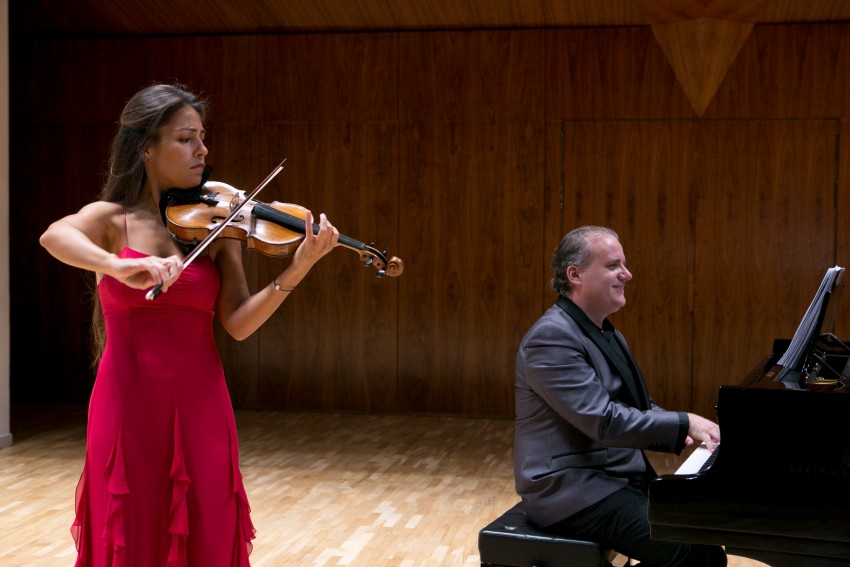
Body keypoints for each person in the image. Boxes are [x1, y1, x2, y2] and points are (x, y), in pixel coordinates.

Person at [39, 82, 339, 566]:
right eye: (186, 138)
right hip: (127, 404)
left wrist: (296, 269)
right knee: (130, 527)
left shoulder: (217, 226)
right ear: (145, 147)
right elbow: (54, 235)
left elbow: (238, 324)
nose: (203, 149)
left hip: (202, 404)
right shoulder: (112, 220)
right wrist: (115, 265)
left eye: (202, 136)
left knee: (206, 526)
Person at [513, 226, 726, 566]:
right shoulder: (551, 338)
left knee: (704, 547)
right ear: (575, 274)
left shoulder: (603, 331)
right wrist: (683, 421)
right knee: (691, 554)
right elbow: (603, 420)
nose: (627, 274)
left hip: (608, 478)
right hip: (569, 489)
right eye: (613, 265)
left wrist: (689, 429)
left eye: (623, 265)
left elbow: (635, 406)